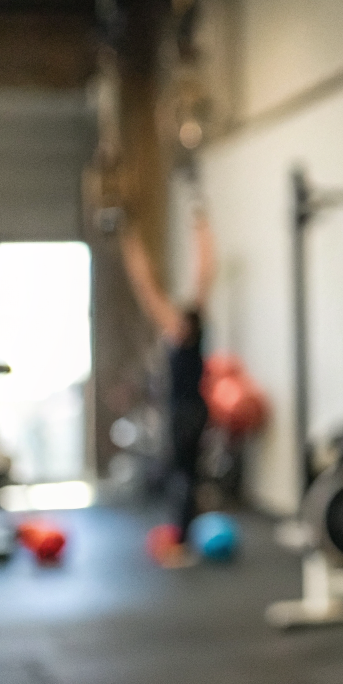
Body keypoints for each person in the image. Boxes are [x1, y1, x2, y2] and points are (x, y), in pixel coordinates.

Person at [121, 212, 216, 568]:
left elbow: (154, 287)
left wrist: (200, 230)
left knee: (180, 477)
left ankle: (181, 540)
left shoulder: (184, 330)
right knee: (184, 476)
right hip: (190, 412)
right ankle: (183, 537)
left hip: (186, 414)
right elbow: (156, 288)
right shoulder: (187, 330)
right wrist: (200, 229)